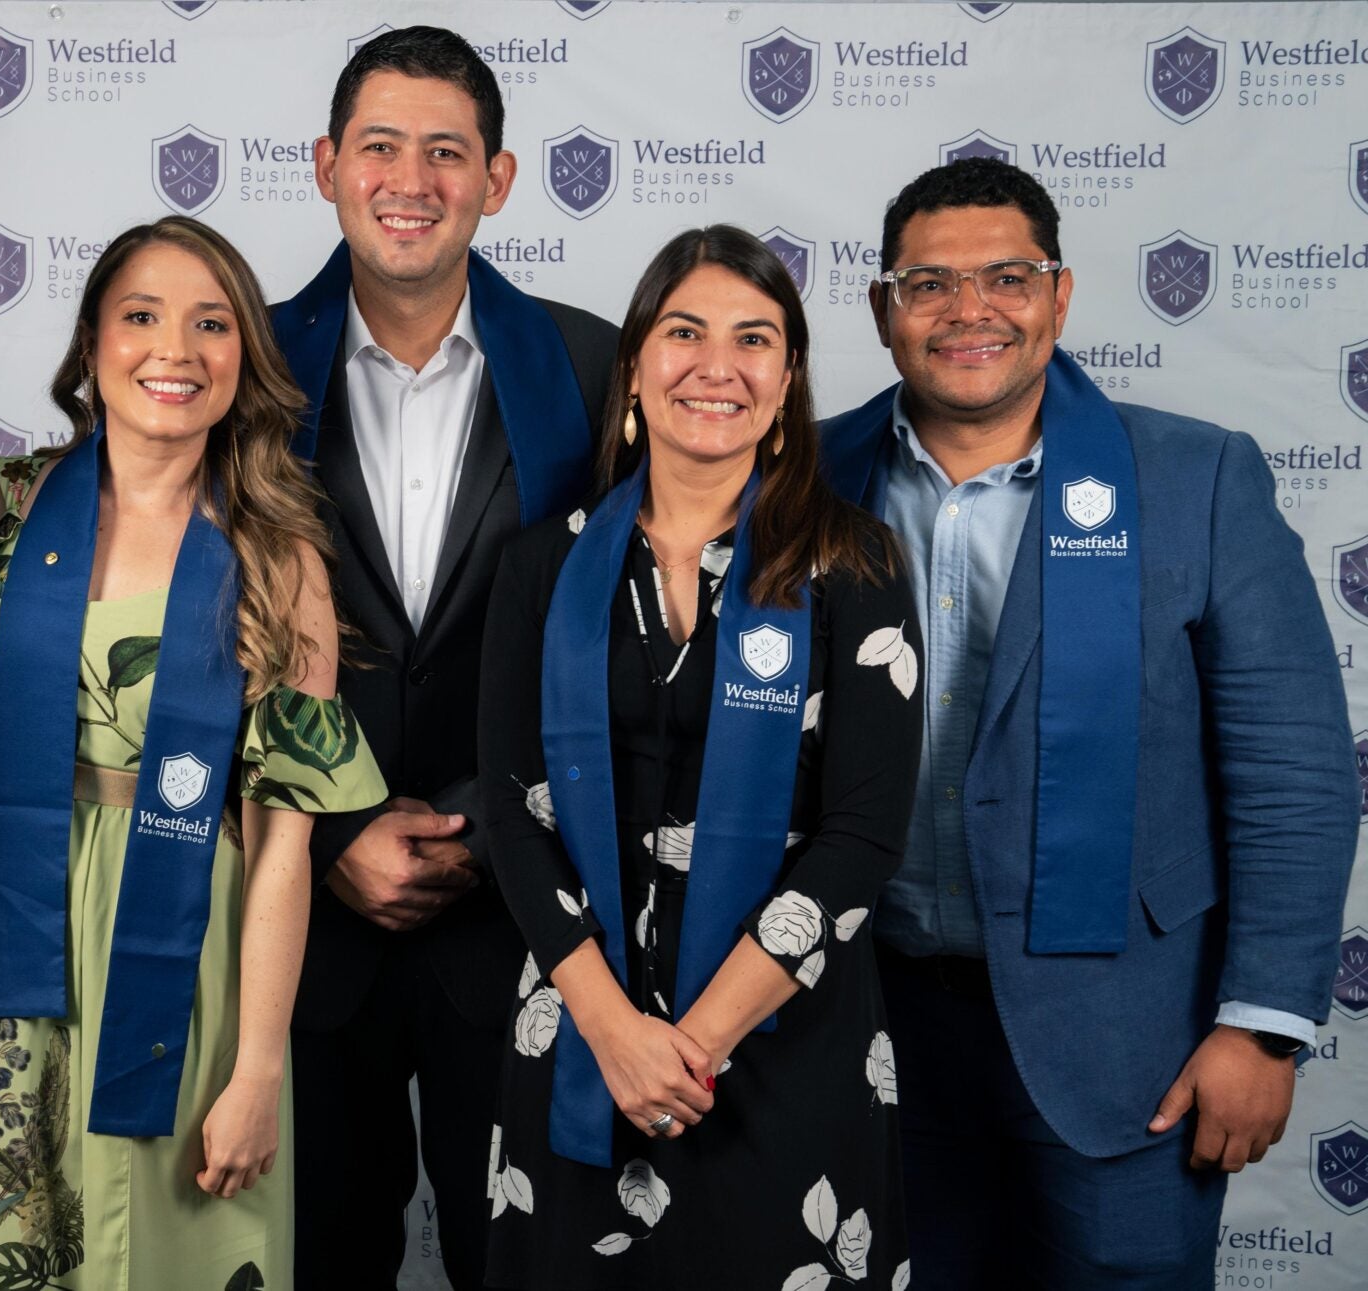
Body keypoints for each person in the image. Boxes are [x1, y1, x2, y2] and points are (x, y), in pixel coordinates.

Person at [819, 157, 1358, 1288]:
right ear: (883, 309)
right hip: (871, 1025)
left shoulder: (1196, 477)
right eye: (929, 283)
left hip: (1131, 1042)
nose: (971, 310)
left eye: (1007, 276)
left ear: (1060, 296)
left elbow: (1294, 773)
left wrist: (1261, 1025)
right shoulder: (807, 479)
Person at [0, 215, 386, 1291]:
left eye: (212, 323)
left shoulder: (279, 554)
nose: (176, 348)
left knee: (162, 1247)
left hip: (190, 949)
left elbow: (283, 852)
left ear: (244, 358)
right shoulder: (11, 507)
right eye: (141, 316)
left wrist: (258, 1064)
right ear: (89, 346)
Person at [475, 225, 923, 1289]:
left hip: (784, 1039)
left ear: (787, 381)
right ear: (635, 364)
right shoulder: (543, 565)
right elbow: (509, 808)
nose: (716, 364)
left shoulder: (852, 563)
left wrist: (694, 1043)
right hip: (585, 1028)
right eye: (684, 331)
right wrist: (616, 1032)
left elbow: (863, 835)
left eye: (753, 338)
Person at [268, 25, 619, 1288]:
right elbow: (189, 650)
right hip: (292, 929)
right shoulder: (236, 361)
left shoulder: (592, 366)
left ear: (499, 177)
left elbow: (625, 643)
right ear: (324, 165)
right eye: (379, 146)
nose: (409, 178)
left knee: (527, 1269)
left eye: (446, 151)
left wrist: (477, 825)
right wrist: (329, 828)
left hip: (520, 918)